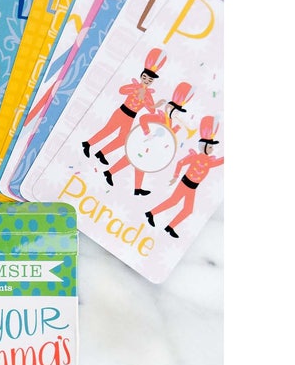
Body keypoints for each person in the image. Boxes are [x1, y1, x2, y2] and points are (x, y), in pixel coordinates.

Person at [82, 48, 167, 182]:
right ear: (141, 76)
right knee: (108, 130)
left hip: (131, 117)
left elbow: (151, 110)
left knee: (123, 139)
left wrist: (155, 105)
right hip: (122, 112)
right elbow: (121, 90)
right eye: (145, 77)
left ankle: (101, 153)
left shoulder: (148, 94)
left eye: (150, 80)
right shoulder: (135, 86)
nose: (146, 80)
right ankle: (88, 144)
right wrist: (135, 89)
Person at [103, 81, 194, 194]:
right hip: (145, 142)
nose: (177, 115)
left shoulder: (168, 121)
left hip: (151, 146)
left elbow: (167, 134)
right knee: (135, 162)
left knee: (138, 164)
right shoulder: (160, 117)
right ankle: (112, 174)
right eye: (176, 112)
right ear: (170, 108)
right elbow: (143, 119)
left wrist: (178, 128)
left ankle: (123, 180)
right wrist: (147, 132)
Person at [145, 115, 224, 238]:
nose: (212, 149)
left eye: (212, 147)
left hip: (193, 187)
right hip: (185, 183)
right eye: (210, 147)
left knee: (188, 210)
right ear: (203, 147)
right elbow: (180, 163)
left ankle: (170, 227)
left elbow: (221, 161)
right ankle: (151, 213)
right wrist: (175, 176)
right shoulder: (194, 157)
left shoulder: (210, 161)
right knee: (173, 201)